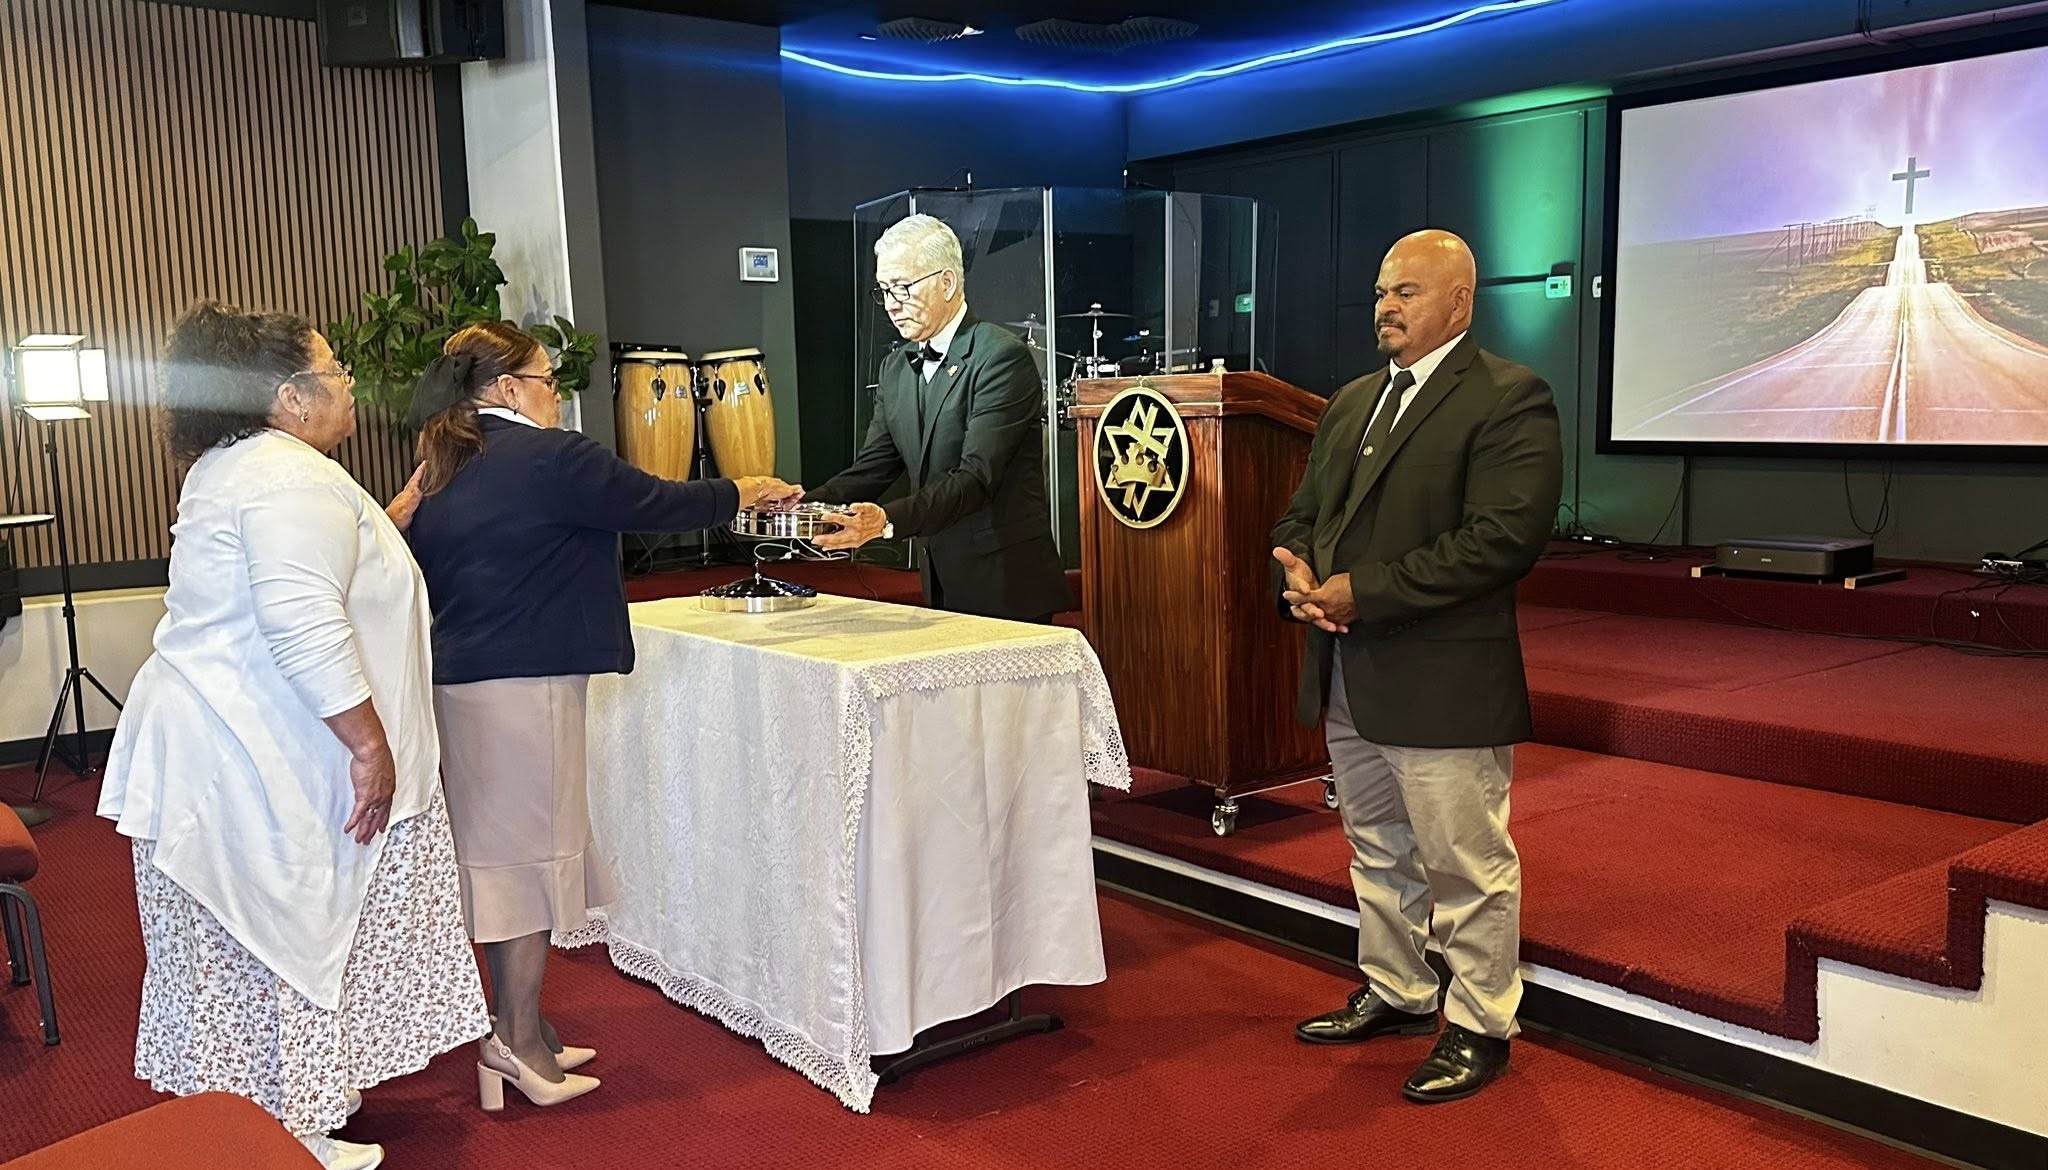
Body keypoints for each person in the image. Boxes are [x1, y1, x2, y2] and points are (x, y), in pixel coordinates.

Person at [99, 301, 489, 1170]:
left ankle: (277, 1116)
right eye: (334, 370)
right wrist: (371, 746)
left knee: (249, 952)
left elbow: (316, 562)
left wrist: (396, 510)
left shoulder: (246, 464)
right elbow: (304, 625)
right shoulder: (287, 480)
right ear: (289, 397)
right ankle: (292, 1137)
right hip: (245, 757)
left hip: (223, 746)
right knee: (278, 936)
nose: (349, 382)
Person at [403, 322, 797, 1112]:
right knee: (528, 869)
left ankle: (523, 1028)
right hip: (526, 685)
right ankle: (515, 1044)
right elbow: (657, 501)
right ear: (507, 389)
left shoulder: (445, 463)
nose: (558, 397)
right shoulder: (548, 458)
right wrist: (747, 488)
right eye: (548, 382)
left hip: (466, 685)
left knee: (509, 863)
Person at [1270, 230, 1562, 1104]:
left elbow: (1502, 540)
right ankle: (1398, 989)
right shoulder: (1353, 400)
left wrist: (1364, 591)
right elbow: (1305, 513)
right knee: (1376, 848)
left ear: (1460, 302)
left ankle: (1480, 1025)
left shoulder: (1509, 396)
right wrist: (1297, 571)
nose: (1385, 308)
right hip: (1347, 668)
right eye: (1379, 293)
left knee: (1464, 863)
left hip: (1443, 678)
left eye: (1406, 291)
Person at [804, 213, 1071, 622]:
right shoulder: (896, 366)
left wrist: (886, 521)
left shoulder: (1001, 357)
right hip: (940, 576)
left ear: (946, 282)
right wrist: (803, 507)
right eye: (884, 290)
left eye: (902, 288)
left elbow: (976, 478)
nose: (891, 305)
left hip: (1005, 582)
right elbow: (874, 467)